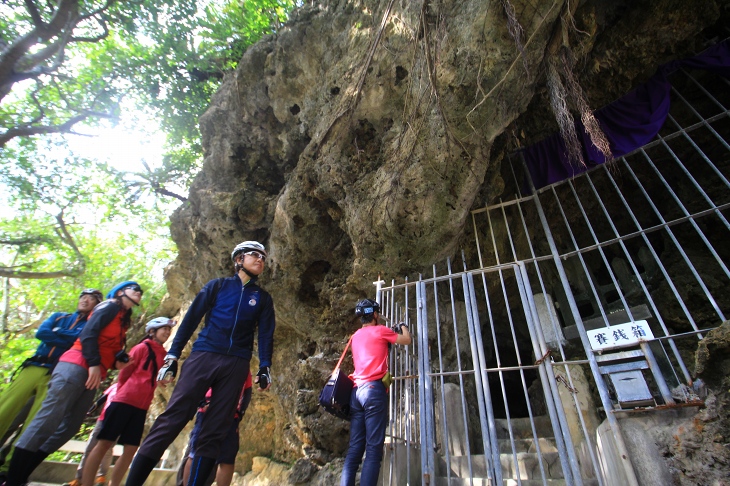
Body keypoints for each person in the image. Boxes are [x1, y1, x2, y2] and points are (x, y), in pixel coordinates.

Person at [125, 241, 275, 486]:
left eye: (263, 257)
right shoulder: (217, 286)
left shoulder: (263, 298)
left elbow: (267, 333)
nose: (260, 260)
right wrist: (172, 357)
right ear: (238, 260)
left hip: (236, 363)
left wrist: (265, 367)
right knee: (173, 417)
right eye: (254, 255)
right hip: (204, 355)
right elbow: (190, 320)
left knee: (215, 430)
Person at [2, 281, 143, 486]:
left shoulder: (123, 320)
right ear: (121, 292)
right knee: (47, 420)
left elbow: (107, 347)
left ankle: (23, 472)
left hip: (93, 374)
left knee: (69, 427)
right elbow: (88, 333)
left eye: (140, 292)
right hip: (75, 366)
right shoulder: (109, 306)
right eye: (135, 289)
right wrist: (94, 363)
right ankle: (13, 478)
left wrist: (117, 363)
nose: (139, 293)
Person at [0, 289, 103, 476]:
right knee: (5, 408)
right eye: (83, 297)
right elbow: (42, 333)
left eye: (92, 299)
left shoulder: (92, 326)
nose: (86, 300)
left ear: (97, 305)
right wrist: (67, 338)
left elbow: (80, 341)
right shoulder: (59, 317)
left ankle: (8, 468)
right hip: (35, 365)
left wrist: (60, 335)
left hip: (56, 374)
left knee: (36, 421)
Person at [80, 317, 175, 486]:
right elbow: (125, 373)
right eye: (164, 329)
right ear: (152, 331)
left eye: (169, 330)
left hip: (141, 406)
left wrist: (159, 382)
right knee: (104, 443)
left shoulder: (162, 353)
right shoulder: (140, 348)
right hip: (124, 401)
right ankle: (86, 483)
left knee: (131, 449)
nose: (167, 333)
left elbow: (154, 374)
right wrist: (128, 391)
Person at [340, 299, 411, 486]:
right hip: (373, 391)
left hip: (356, 393)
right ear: (375, 314)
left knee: (354, 449)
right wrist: (402, 326)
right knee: (373, 449)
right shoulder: (381, 330)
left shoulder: (355, 336)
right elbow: (407, 340)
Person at [178, 372, 253, 486]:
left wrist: (239, 413)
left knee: (226, 458)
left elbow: (247, 390)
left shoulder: (244, 366)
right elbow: (198, 380)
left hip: (231, 416)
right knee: (195, 453)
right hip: (207, 413)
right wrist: (203, 403)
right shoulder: (213, 357)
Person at [63, 383, 119, 486]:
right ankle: (79, 479)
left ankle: (100, 478)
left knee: (107, 449)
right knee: (89, 448)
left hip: (117, 422)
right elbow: (101, 400)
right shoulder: (115, 386)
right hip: (103, 419)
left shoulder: (133, 386)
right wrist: (89, 411)